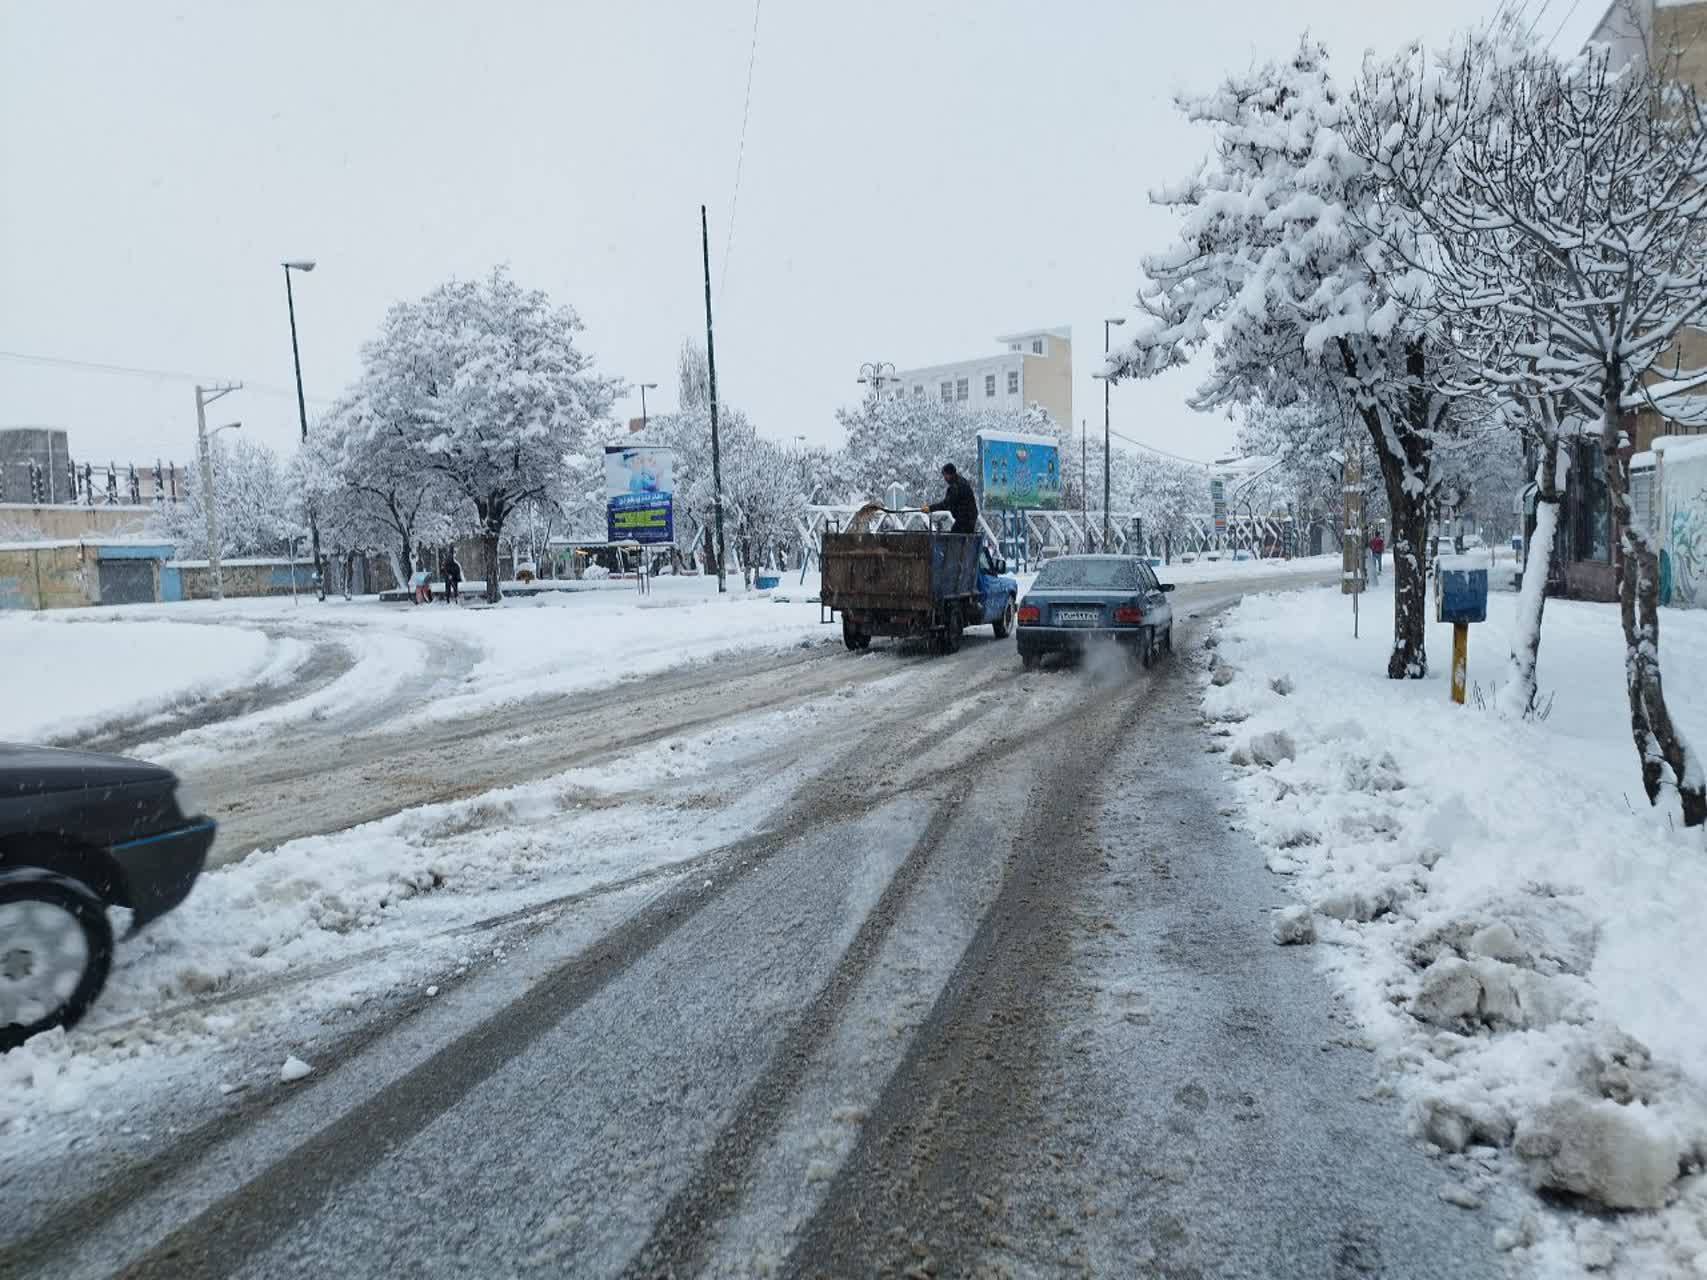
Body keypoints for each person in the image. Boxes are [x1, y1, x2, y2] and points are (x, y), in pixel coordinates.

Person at [922, 462, 979, 536]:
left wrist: (930, 508)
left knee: (954, 538)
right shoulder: (961, 481)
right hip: (969, 517)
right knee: (961, 538)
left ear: (951, 474)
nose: (945, 478)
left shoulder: (956, 486)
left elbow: (946, 504)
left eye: (945, 475)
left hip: (965, 519)